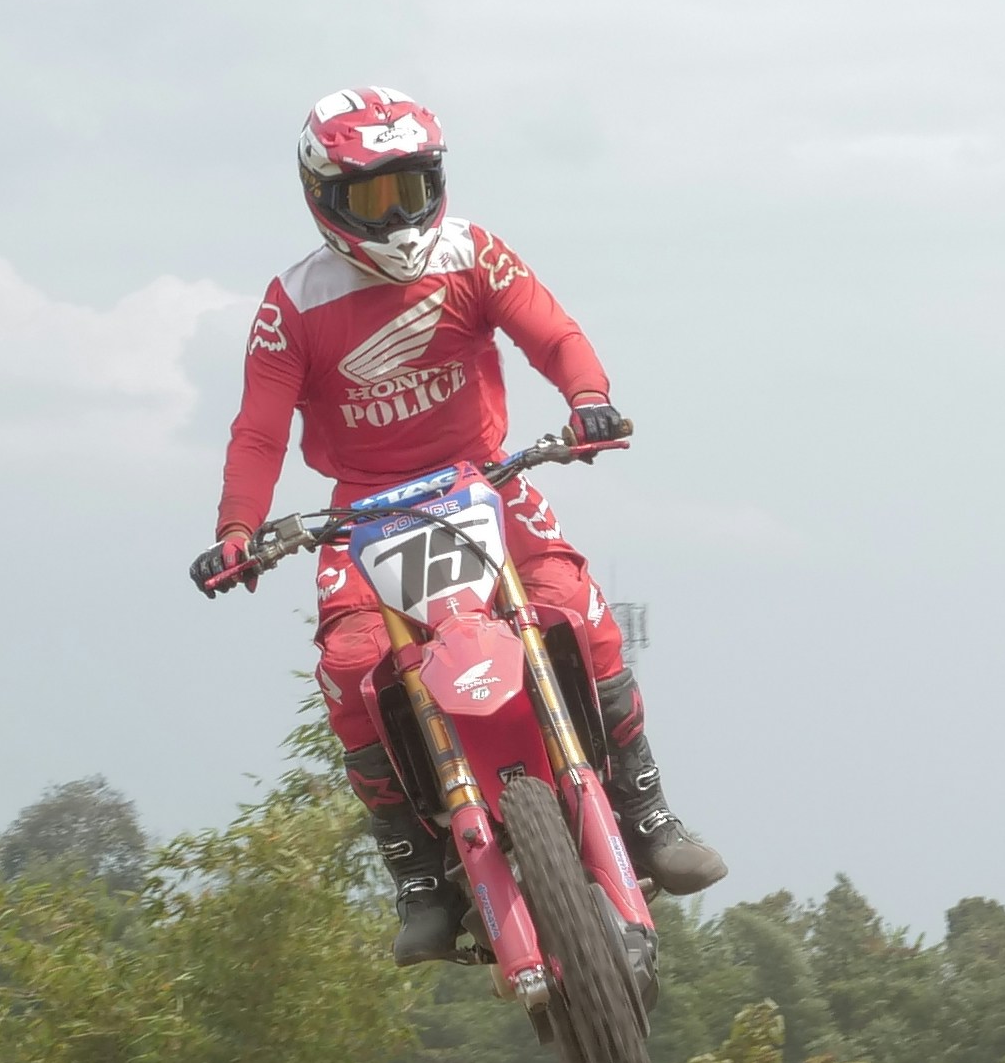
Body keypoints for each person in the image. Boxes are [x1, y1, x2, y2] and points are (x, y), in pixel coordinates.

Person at [192, 86, 724, 963]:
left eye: (413, 186)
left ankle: (648, 813)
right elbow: (258, 430)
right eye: (371, 197)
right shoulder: (291, 304)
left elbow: (553, 333)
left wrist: (588, 399)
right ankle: (417, 872)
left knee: (576, 608)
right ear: (321, 197)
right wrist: (239, 530)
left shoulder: (472, 251)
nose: (399, 215)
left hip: (487, 483)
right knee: (352, 664)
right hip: (363, 512)